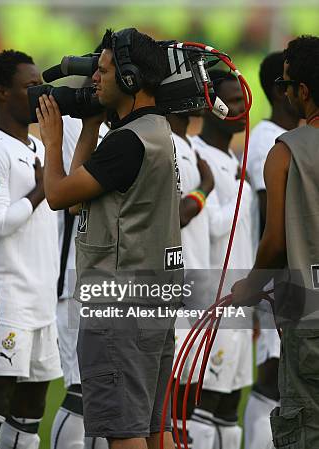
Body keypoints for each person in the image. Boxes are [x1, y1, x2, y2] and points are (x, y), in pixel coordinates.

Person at [37, 27, 180, 449]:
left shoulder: (126, 143)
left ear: (132, 79)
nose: (93, 79)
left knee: (125, 431)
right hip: (154, 295)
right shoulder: (154, 132)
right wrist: (88, 127)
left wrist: (51, 141)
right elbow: (81, 204)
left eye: (102, 70)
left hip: (120, 302)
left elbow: (57, 195)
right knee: (157, 428)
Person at [0, 49, 62, 449]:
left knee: (29, 417)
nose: (39, 94)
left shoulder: (41, 146)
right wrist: (42, 189)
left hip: (43, 301)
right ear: (2, 93)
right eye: (29, 86)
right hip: (8, 301)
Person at [232, 35, 319, 449]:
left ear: (303, 91)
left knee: (304, 430)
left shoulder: (285, 151)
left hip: (308, 315)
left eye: (286, 84)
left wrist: (250, 287)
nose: (283, 92)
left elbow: (275, 241)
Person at [187, 70, 255, 449]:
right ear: (210, 105)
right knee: (205, 401)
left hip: (241, 299)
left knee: (230, 405)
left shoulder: (231, 157)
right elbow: (211, 226)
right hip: (215, 300)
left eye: (244, 101)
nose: (243, 109)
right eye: (234, 101)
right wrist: (242, 193)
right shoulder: (199, 155)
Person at [243, 51, 299, 449]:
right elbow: (272, 218)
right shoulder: (266, 140)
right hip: (279, 277)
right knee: (273, 374)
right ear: (282, 91)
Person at [51, 116, 109, 449]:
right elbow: (71, 197)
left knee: (105, 394)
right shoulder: (80, 124)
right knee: (82, 392)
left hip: (111, 283)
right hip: (77, 283)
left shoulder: (123, 128)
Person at [167, 111, 214, 446]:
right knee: (167, 393)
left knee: (188, 394)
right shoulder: (166, 142)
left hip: (197, 283)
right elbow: (175, 217)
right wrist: (205, 188)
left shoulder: (187, 145)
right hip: (174, 284)